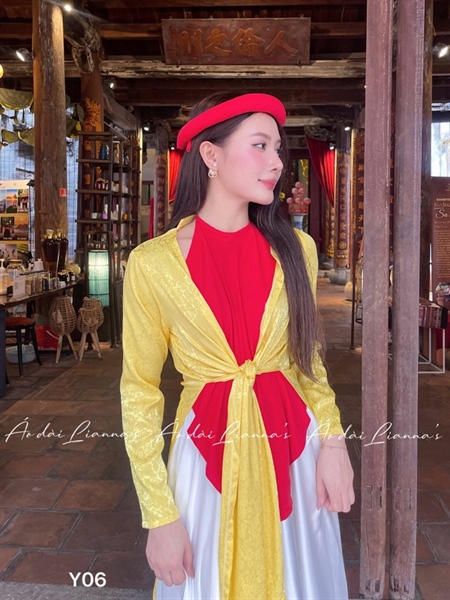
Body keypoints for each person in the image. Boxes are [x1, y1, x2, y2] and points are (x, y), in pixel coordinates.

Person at [121, 92, 355, 600]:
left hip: (295, 452)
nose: (277, 163)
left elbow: (308, 362)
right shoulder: (153, 264)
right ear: (211, 155)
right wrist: (158, 513)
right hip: (206, 458)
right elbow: (139, 391)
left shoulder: (297, 250)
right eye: (260, 145)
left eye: (279, 149)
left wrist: (334, 445)